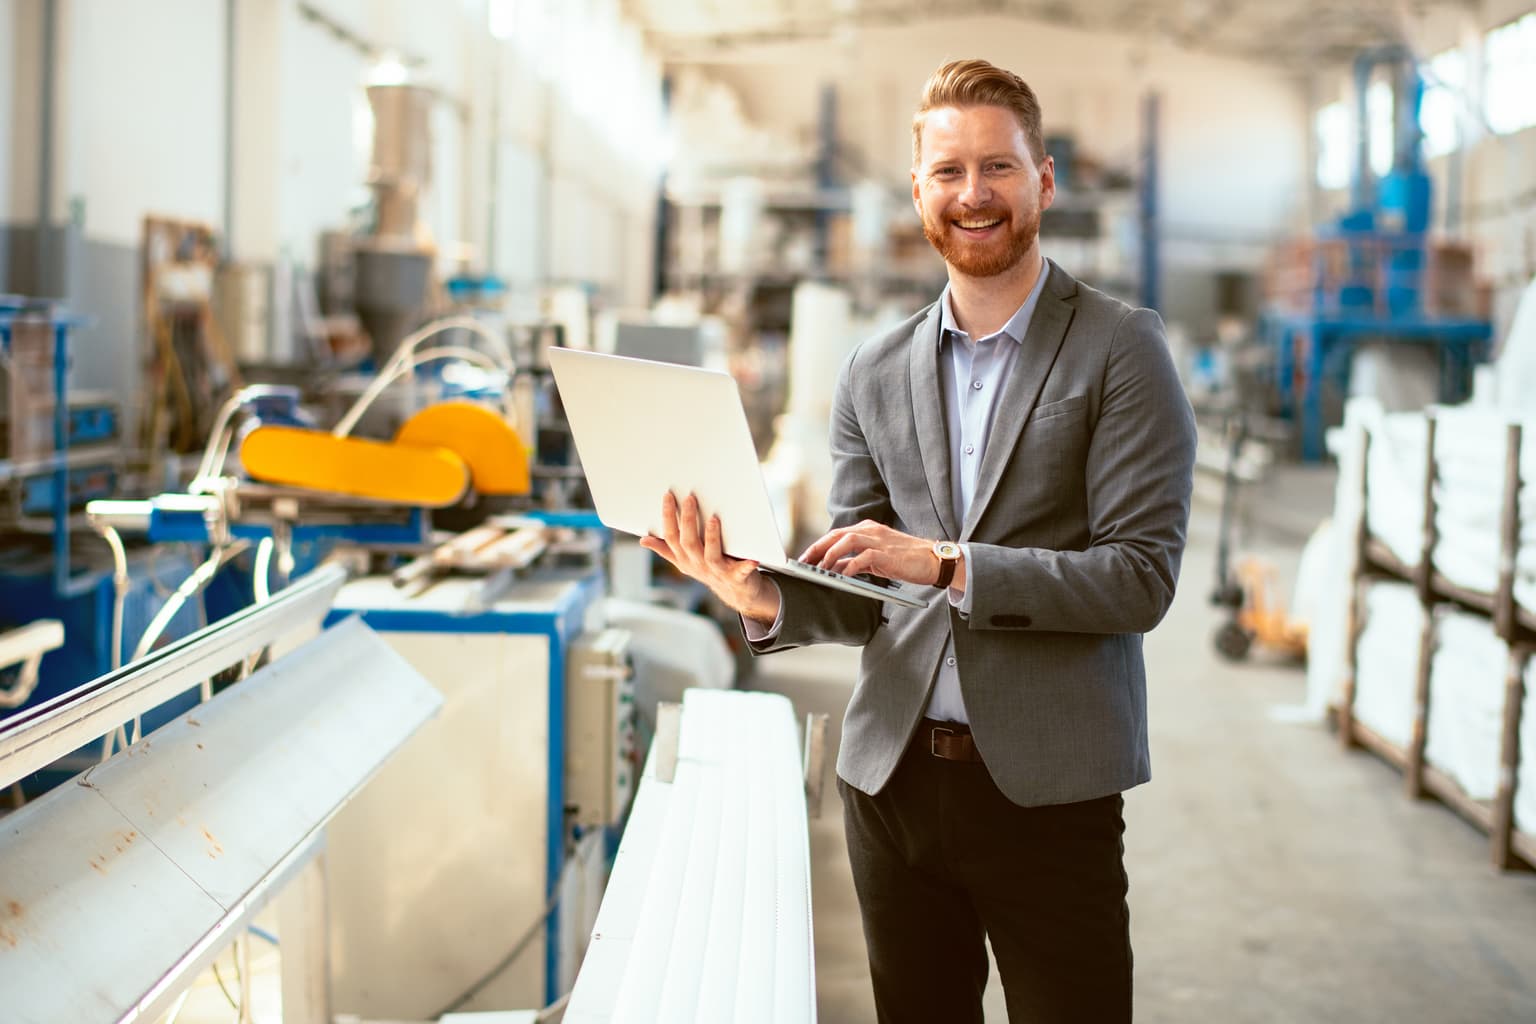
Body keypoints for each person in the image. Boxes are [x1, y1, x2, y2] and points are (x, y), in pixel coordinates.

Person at [640, 57, 1196, 1023]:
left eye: (998, 168)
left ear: (1044, 180)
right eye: (948, 172)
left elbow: (1139, 579)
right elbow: (866, 592)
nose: (972, 195)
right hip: (891, 788)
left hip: (1047, 793)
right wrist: (755, 592)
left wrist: (947, 562)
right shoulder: (873, 368)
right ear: (917, 192)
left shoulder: (1120, 346)